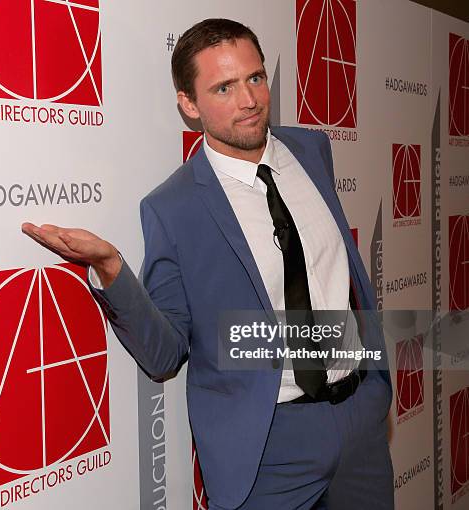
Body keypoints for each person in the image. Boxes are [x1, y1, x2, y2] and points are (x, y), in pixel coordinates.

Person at [22, 18, 393, 510]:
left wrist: (375, 389)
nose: (249, 100)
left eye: (255, 78)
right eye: (224, 87)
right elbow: (164, 352)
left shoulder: (311, 150)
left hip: (361, 421)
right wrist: (110, 266)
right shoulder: (173, 207)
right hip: (267, 449)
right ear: (189, 104)